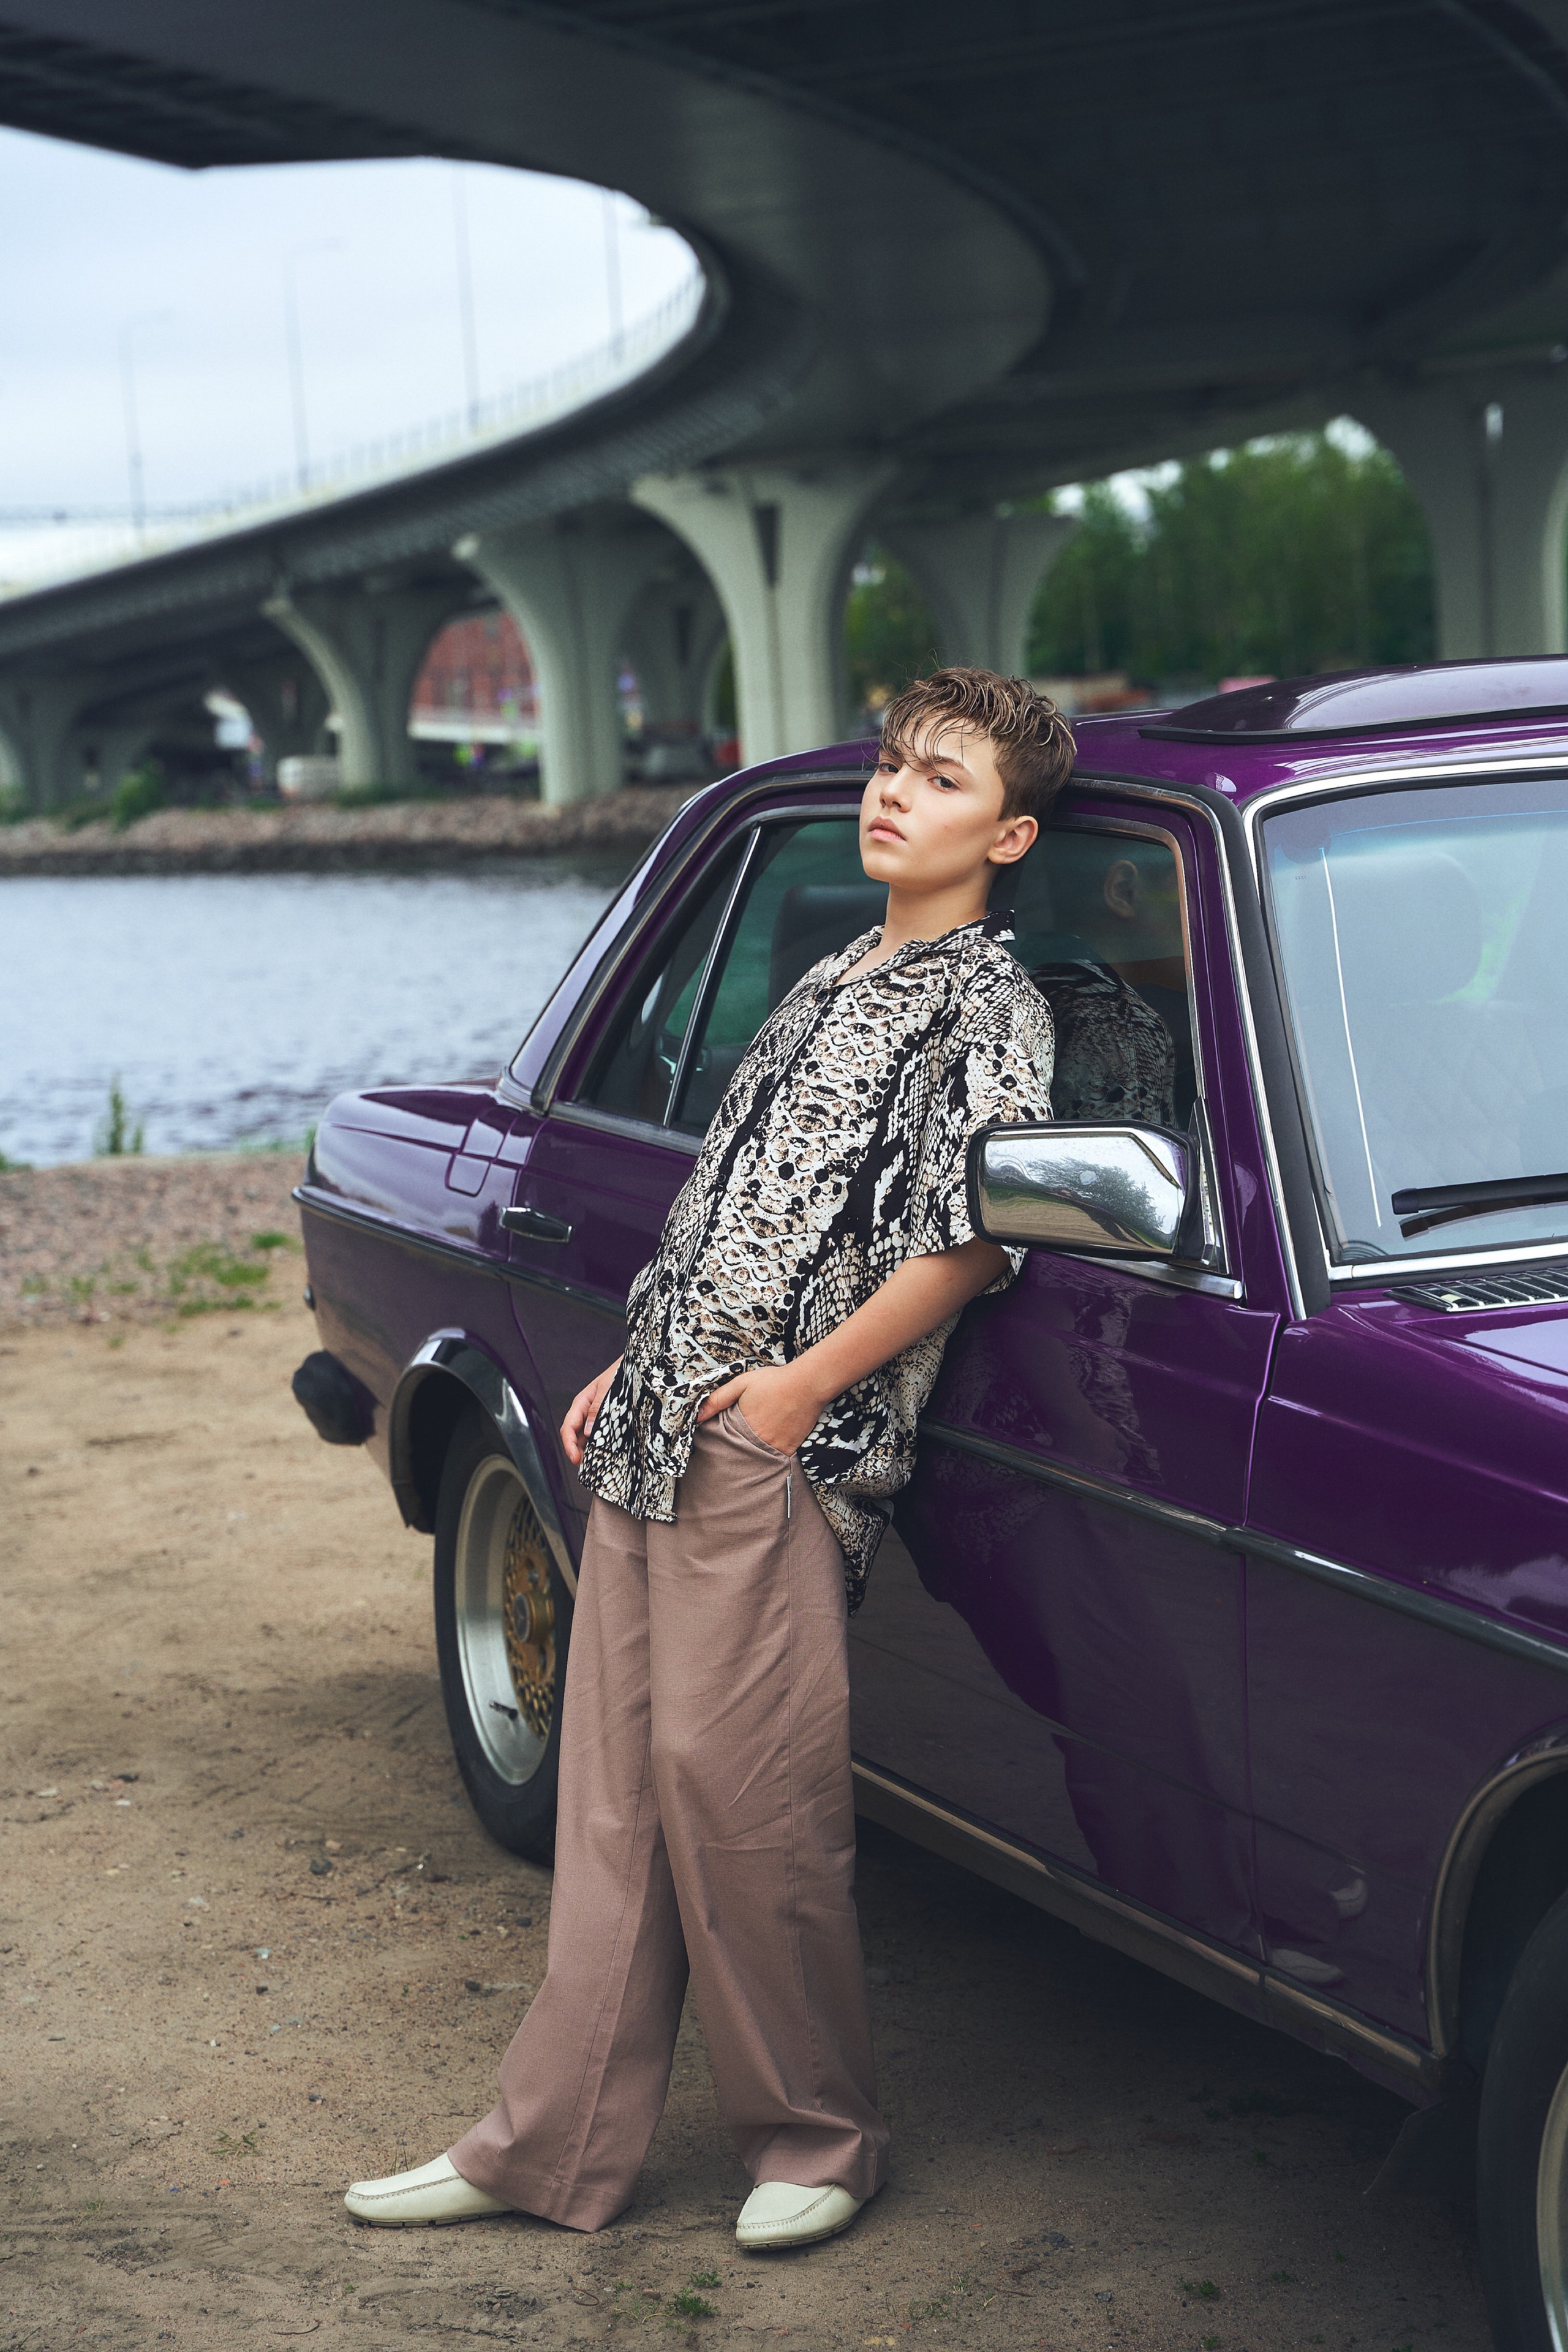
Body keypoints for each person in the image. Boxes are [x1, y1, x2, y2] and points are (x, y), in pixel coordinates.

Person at [343, 667, 1072, 2251]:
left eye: (942, 777)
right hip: (660, 1422)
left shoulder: (986, 1005)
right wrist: (638, 1359)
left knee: (745, 1803)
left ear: (1010, 834)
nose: (895, 791)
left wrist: (798, 1392)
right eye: (892, 763)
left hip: (778, 1451)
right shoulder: (830, 973)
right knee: (612, 1802)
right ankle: (545, 2151)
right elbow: (729, 1207)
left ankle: (819, 2138)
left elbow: (972, 1243)